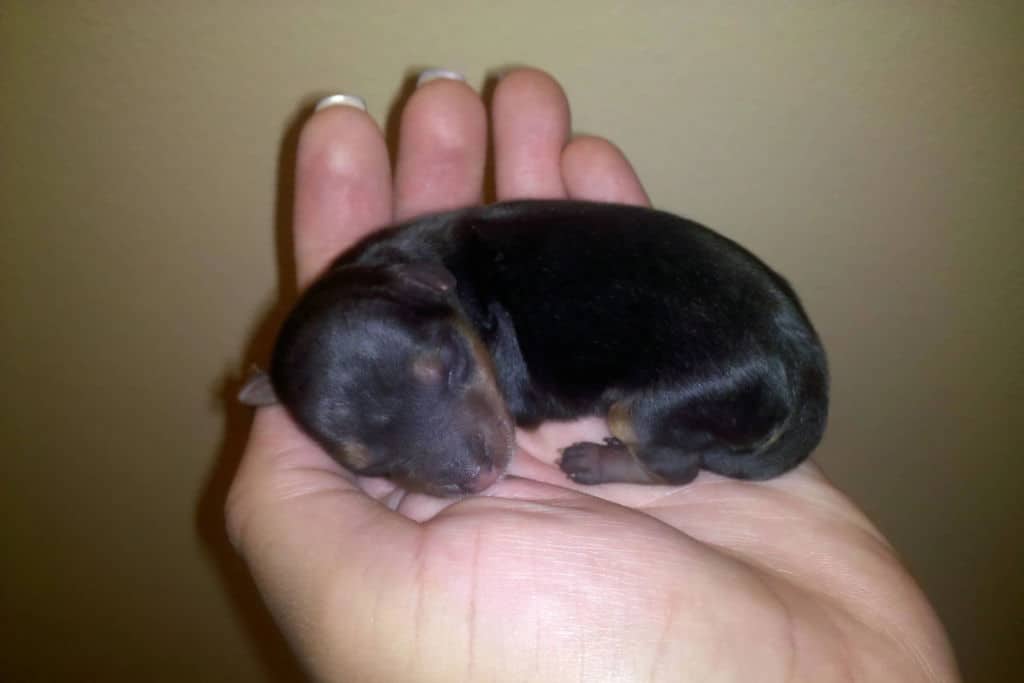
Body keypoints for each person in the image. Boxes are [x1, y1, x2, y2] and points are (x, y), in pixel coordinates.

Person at [225, 67, 960, 682]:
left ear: (435, 288)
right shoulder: (411, 287)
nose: (464, 462)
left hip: (718, 350)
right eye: (381, 459)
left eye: (448, 375)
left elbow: (525, 382)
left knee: (651, 414)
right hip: (748, 333)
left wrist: (624, 455)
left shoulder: (433, 275)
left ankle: (659, 465)